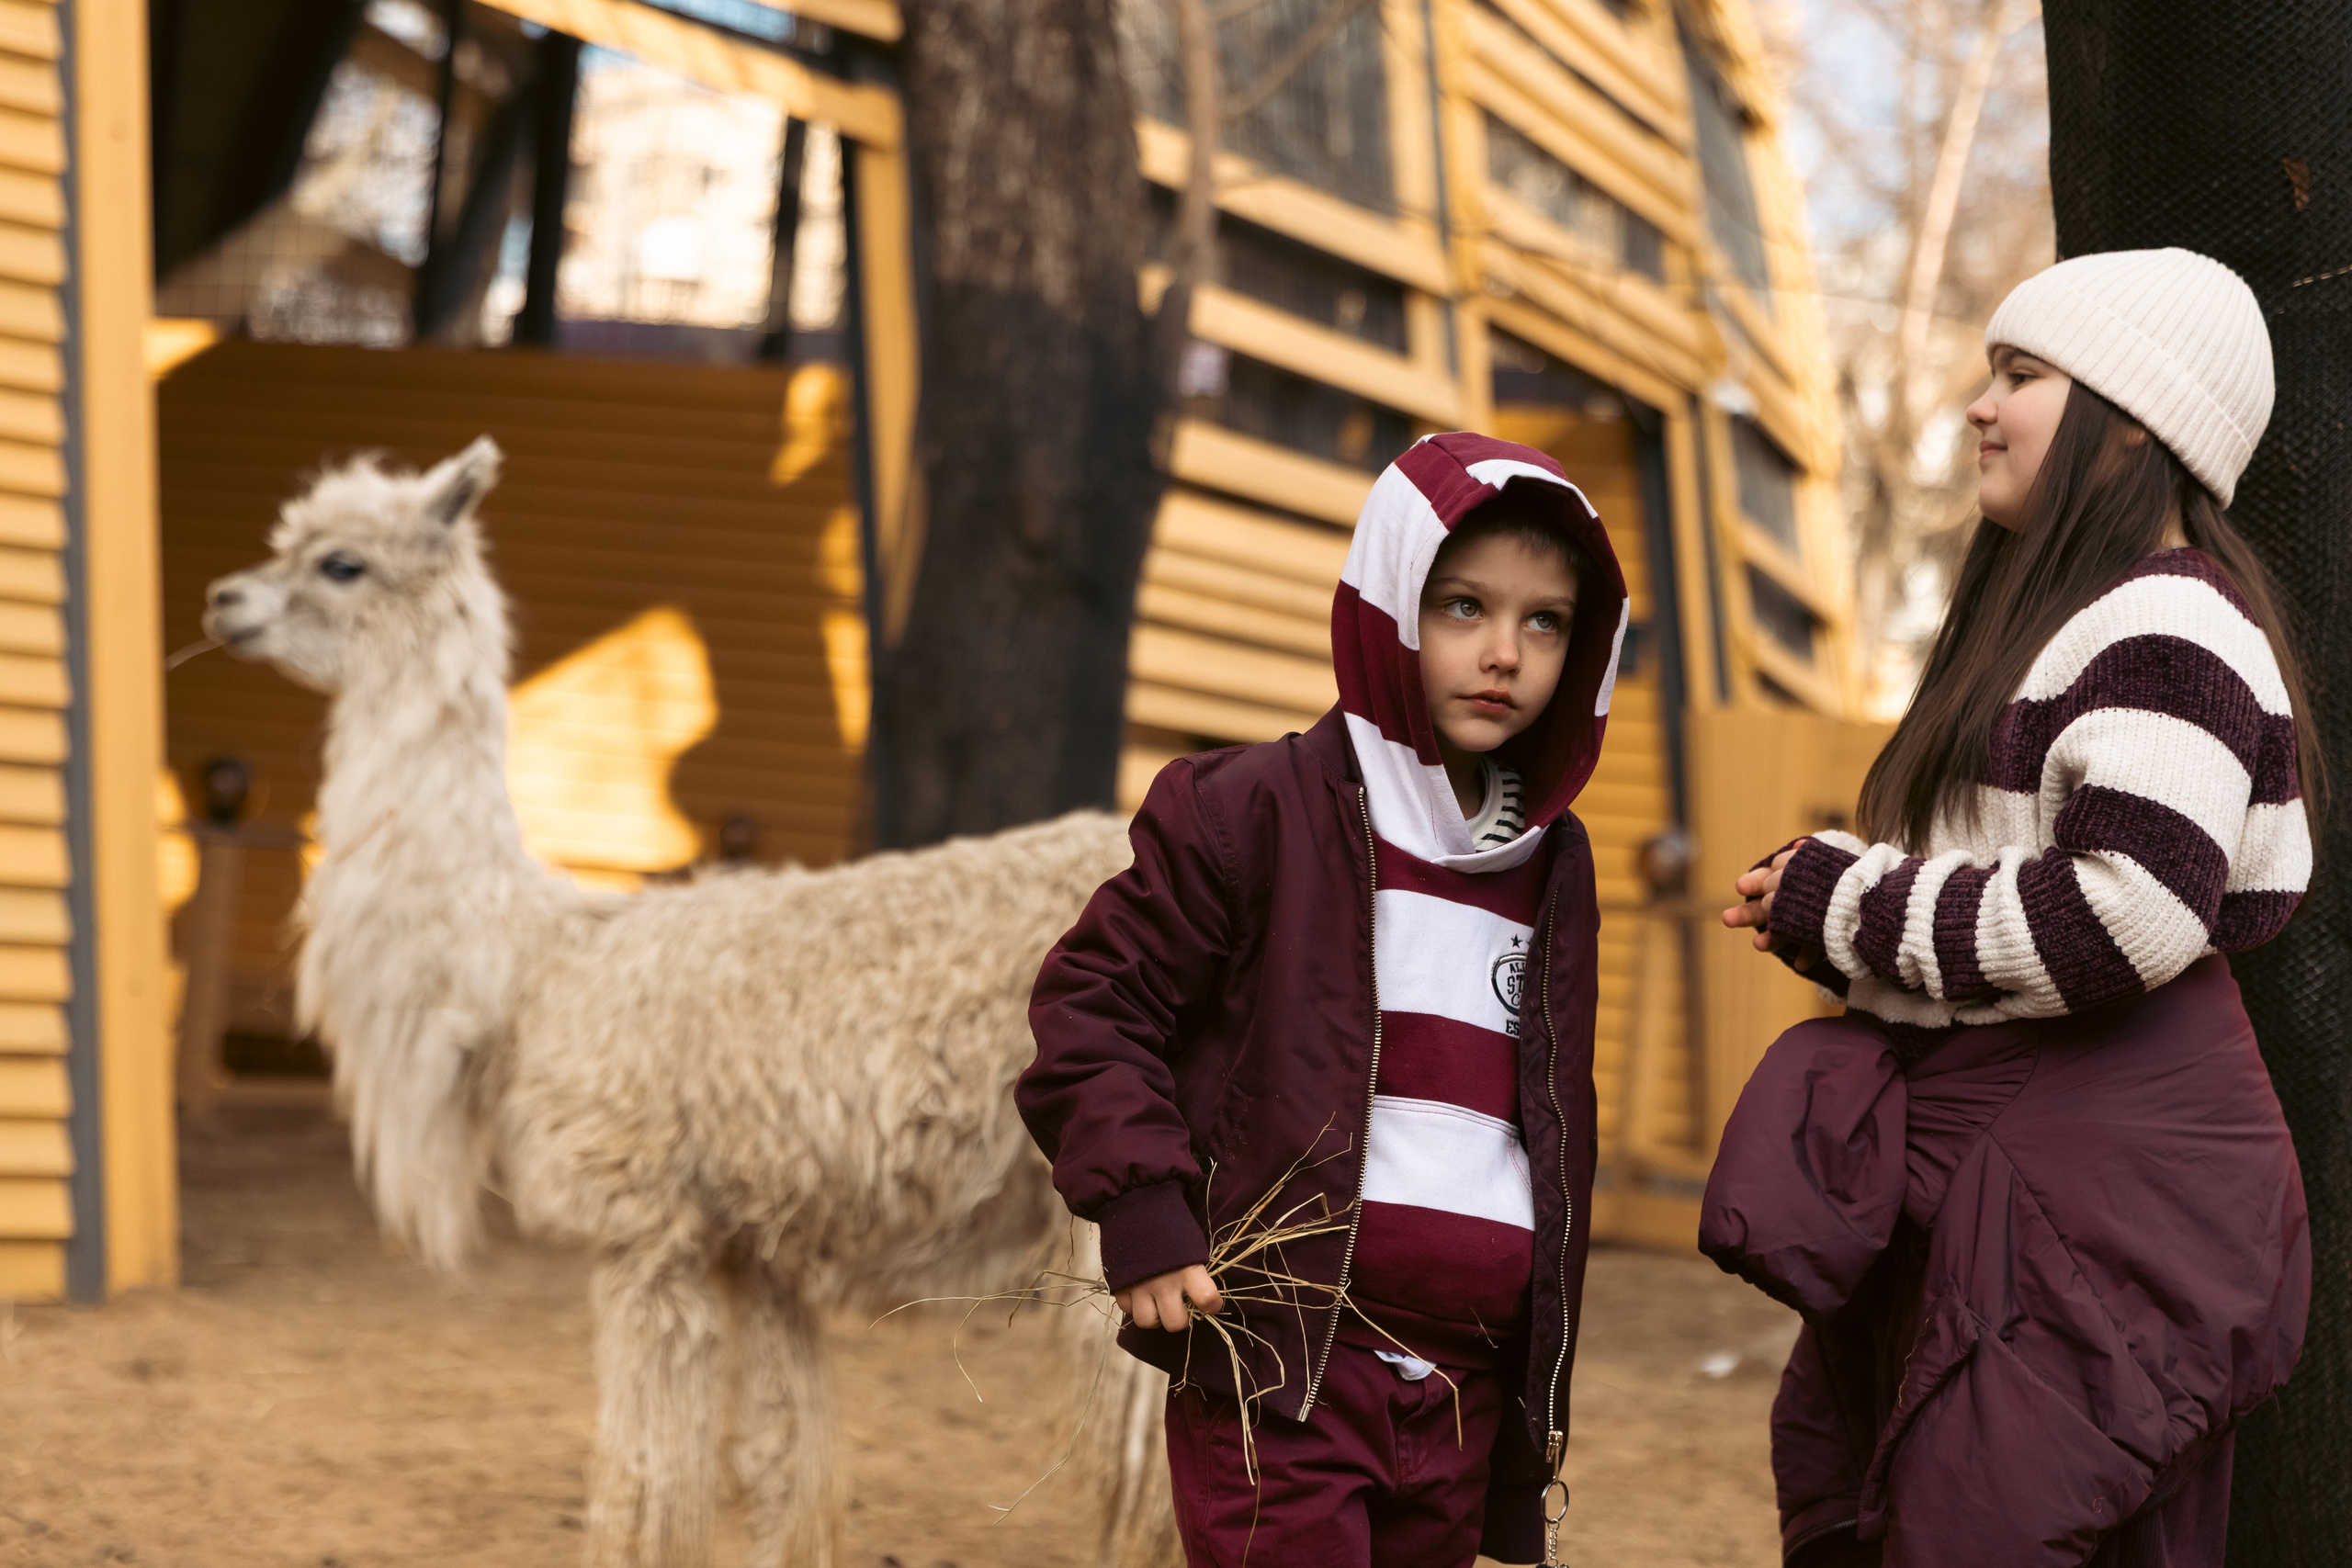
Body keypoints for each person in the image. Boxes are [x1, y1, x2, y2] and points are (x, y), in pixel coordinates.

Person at [1708, 248, 2316, 1566]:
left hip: (2089, 1203)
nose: (1981, 406)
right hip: (2027, 1192)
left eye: (2022, 375)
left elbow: (2129, 912)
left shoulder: (2169, 621)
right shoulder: (2077, 625)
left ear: (2133, 416)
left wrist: (1848, 897)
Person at [1017, 433, 1633, 1567]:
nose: (1504, 652)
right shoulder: (1250, 812)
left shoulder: (1555, 864)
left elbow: (1543, 1113)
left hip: (1464, 1386)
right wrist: (1142, 1206)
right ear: (1389, 603)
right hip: (1284, 1364)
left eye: (1544, 622)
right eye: (1462, 607)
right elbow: (1095, 1003)